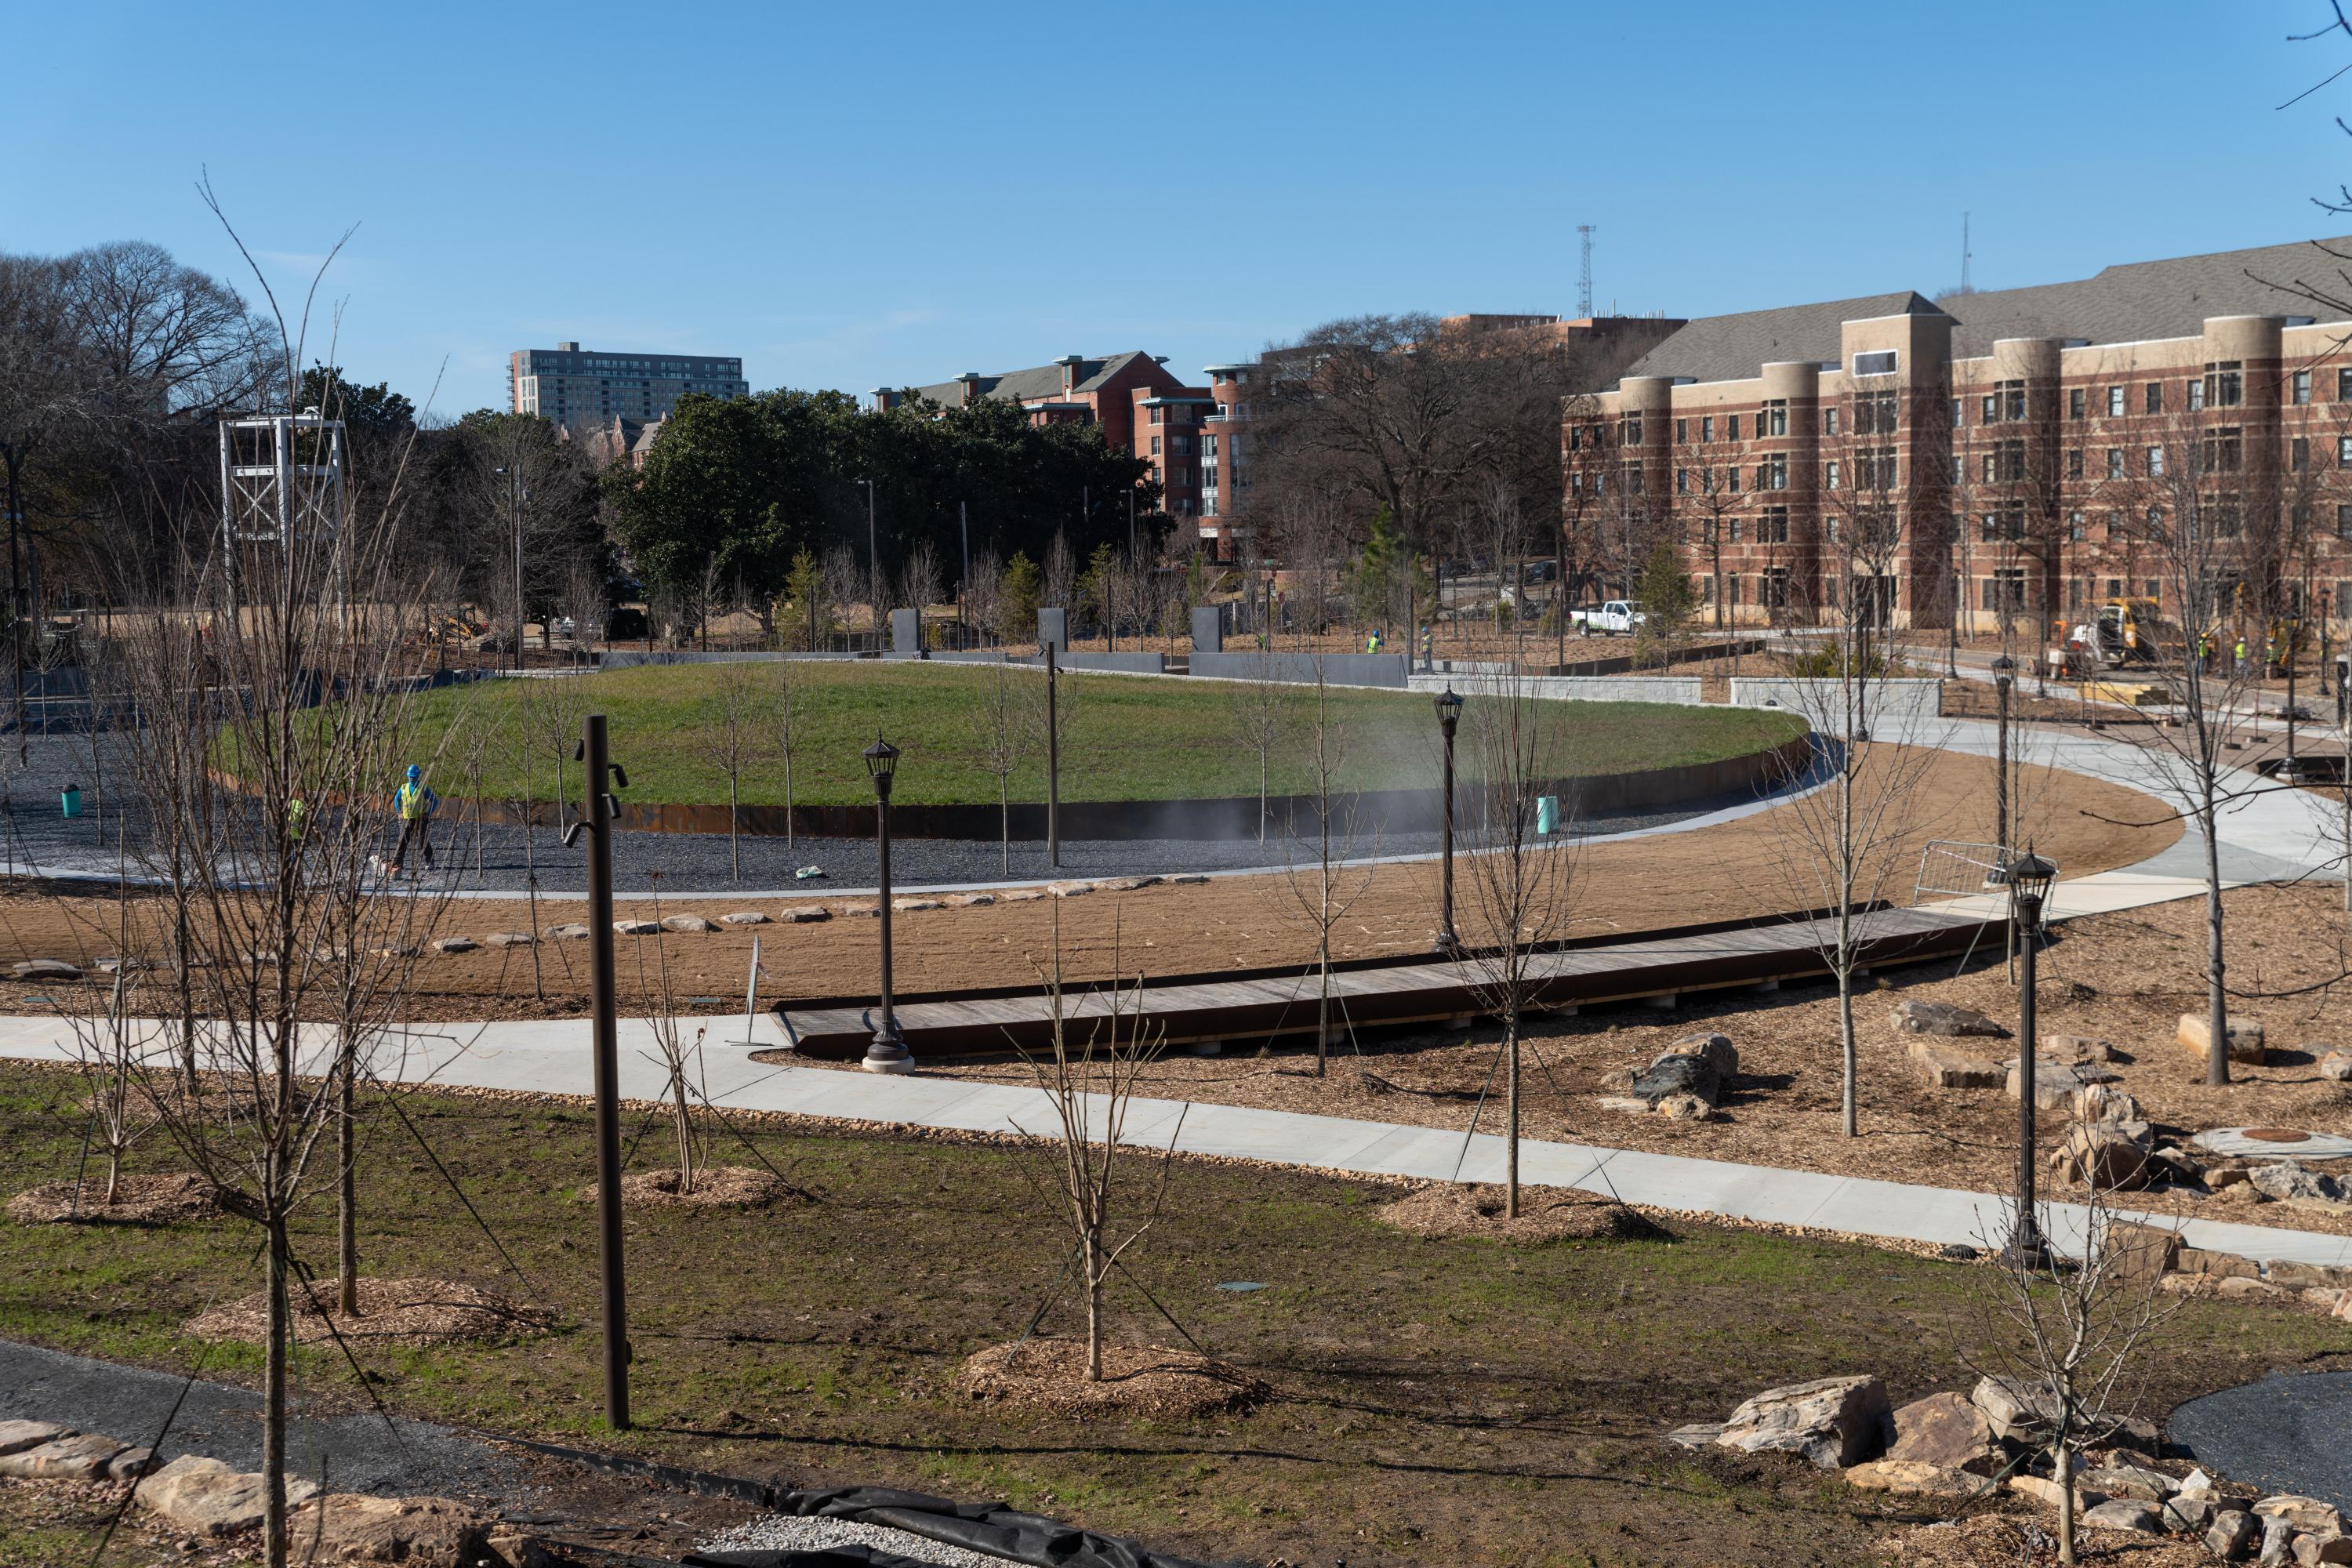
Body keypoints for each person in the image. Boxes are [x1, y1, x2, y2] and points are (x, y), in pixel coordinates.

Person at [390, 764, 438, 876]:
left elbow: (435, 800)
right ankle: (398, 864)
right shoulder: (403, 788)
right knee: (402, 842)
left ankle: (430, 862)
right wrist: (399, 813)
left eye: (414, 777)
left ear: (418, 777)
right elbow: (396, 800)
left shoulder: (423, 788)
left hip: (420, 819)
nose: (412, 778)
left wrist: (428, 813)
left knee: (422, 840)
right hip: (406, 819)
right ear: (408, 776)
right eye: (410, 776)